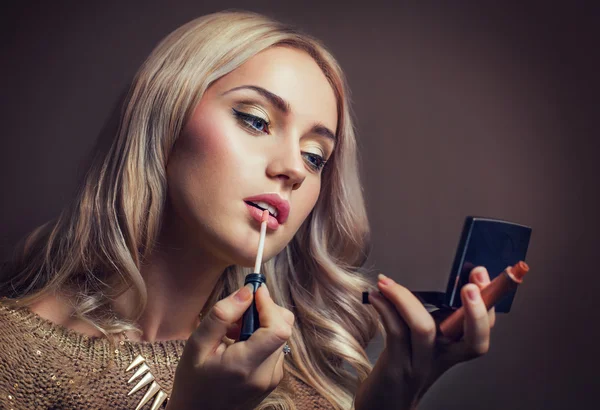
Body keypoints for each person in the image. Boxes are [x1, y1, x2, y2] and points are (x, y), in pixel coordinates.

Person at [0, 10, 495, 410]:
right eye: (256, 121)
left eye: (315, 155)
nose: (294, 171)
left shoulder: (300, 385)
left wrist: (394, 392)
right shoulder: (13, 361)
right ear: (163, 117)